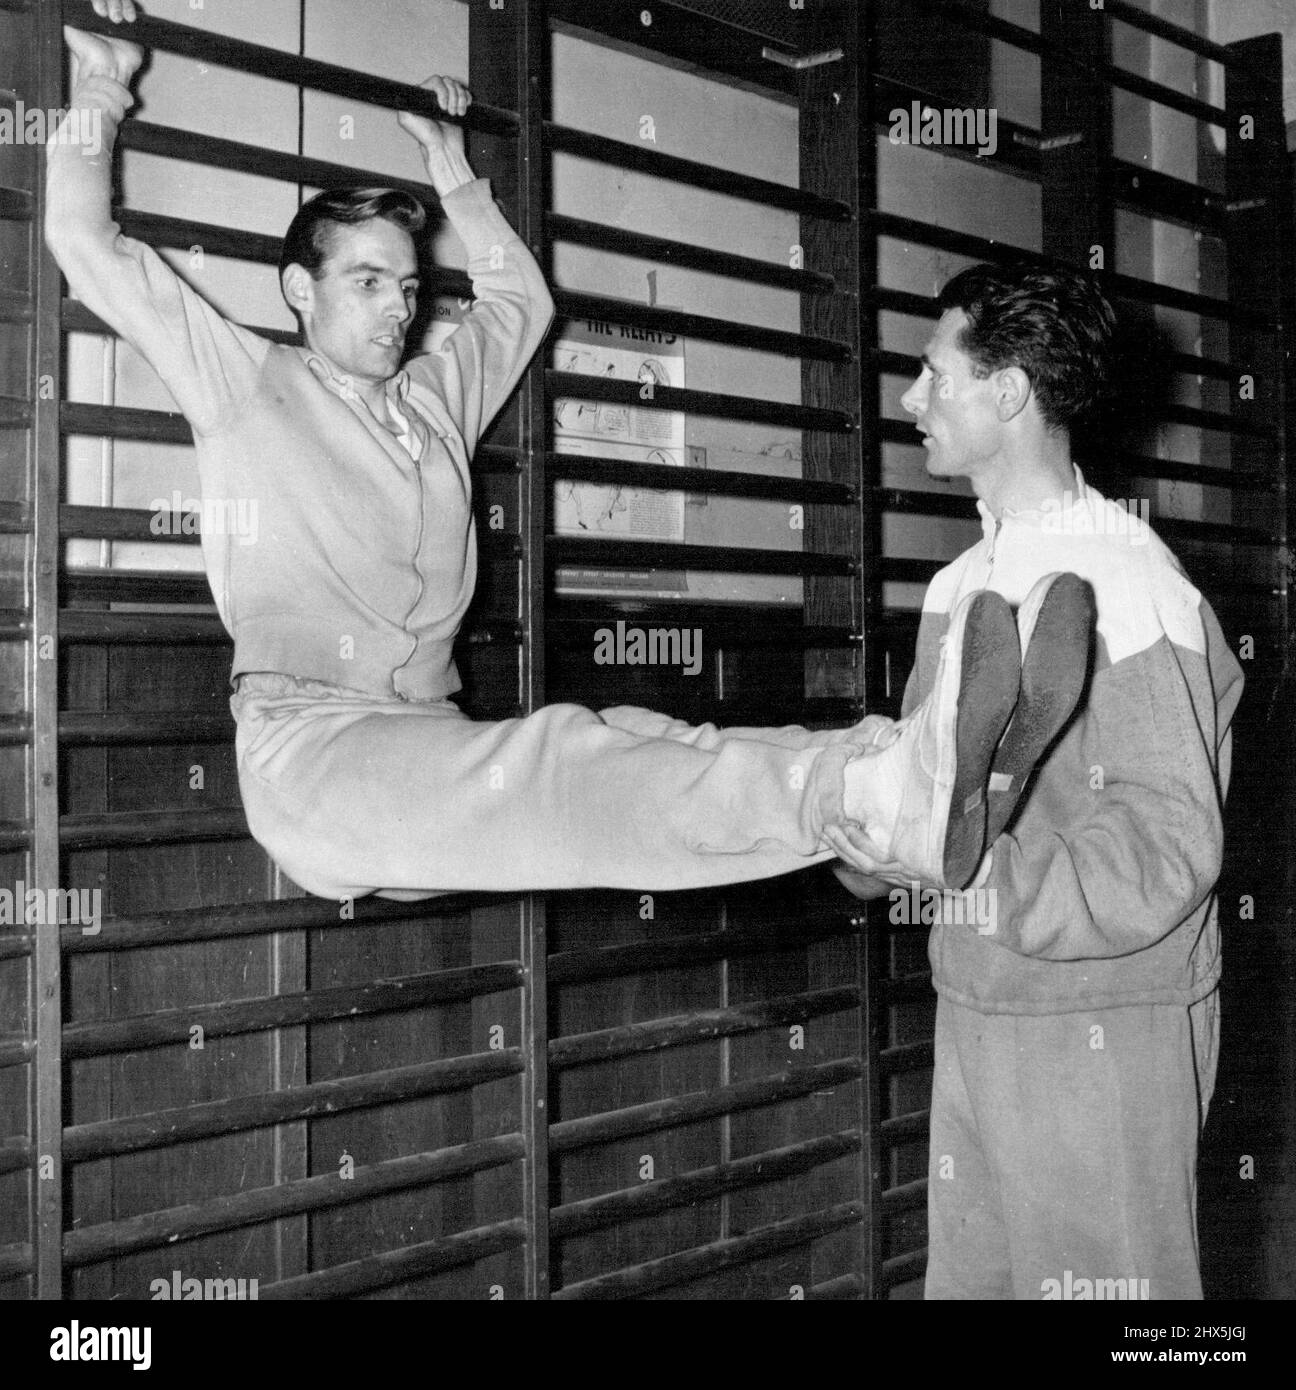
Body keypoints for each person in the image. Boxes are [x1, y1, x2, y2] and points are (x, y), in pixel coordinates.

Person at [47, 1, 1088, 907]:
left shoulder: (430, 399)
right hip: (315, 756)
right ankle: (864, 796)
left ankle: (888, 773)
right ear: (296, 290)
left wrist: (452, 175)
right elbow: (88, 248)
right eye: (366, 282)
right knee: (558, 763)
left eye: (408, 286)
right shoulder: (245, 380)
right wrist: (98, 90)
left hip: (422, 736)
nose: (398, 308)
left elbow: (520, 300)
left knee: (634, 736)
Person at [836, 259, 1245, 1300]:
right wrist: (877, 847)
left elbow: (1166, 850)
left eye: (934, 373)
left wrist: (976, 878)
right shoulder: (958, 583)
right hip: (979, 996)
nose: (909, 399)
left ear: (1009, 392)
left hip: (1103, 1016)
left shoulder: (1130, 580)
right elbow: (938, 807)